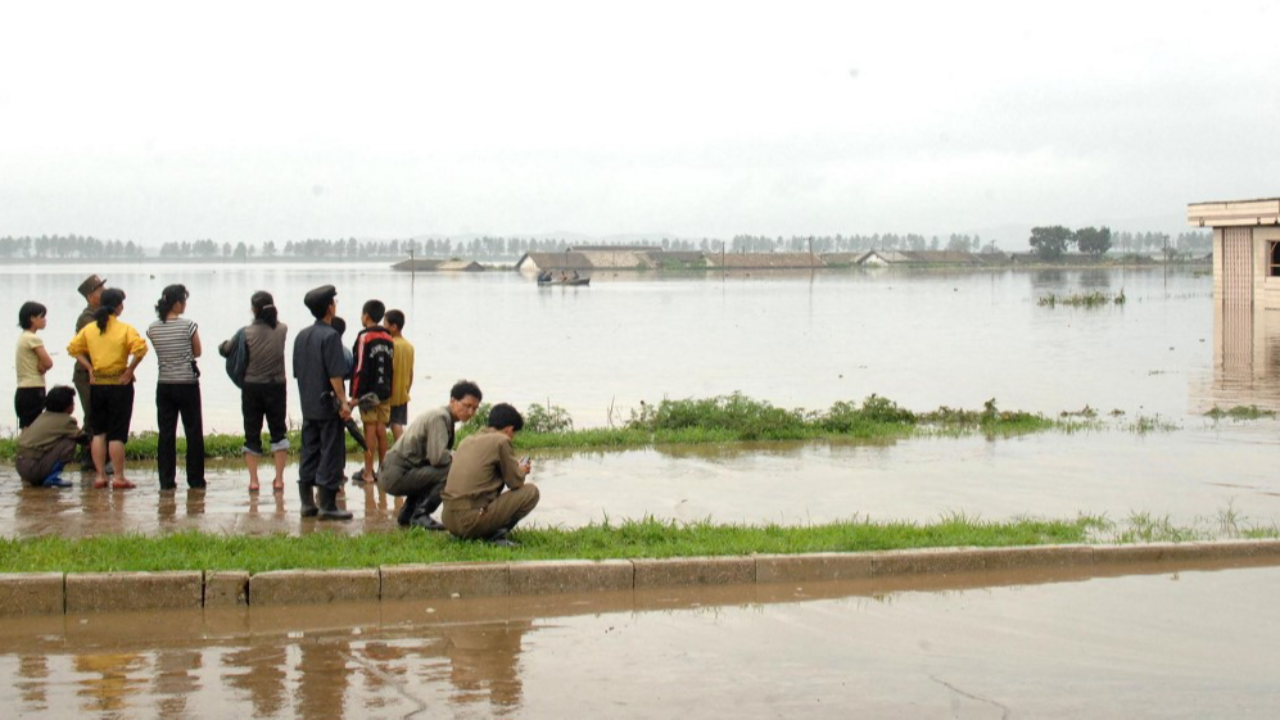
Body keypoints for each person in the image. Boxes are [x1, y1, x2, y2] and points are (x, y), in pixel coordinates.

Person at [67, 287, 147, 489]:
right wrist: (130, 369)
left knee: (99, 432)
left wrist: (90, 368)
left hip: (98, 384)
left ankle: (100, 475)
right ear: (118, 306)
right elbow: (141, 348)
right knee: (117, 433)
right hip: (119, 384)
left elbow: (73, 349)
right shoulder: (125, 329)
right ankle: (119, 477)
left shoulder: (90, 329)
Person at [377, 380, 481, 530]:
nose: (470, 412)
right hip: (396, 475)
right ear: (453, 401)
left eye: (475, 408)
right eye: (467, 406)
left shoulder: (443, 417)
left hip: (394, 472)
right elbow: (438, 458)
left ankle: (408, 513)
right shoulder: (440, 418)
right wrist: (459, 457)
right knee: (450, 470)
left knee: (437, 469)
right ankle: (421, 514)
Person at [293, 284, 353, 520]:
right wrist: (343, 401)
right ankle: (327, 504)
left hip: (308, 403)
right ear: (329, 308)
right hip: (328, 404)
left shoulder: (301, 335)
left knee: (309, 449)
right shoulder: (331, 336)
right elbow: (335, 375)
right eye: (334, 303)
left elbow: (298, 372)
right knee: (331, 450)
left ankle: (307, 503)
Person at [442, 403, 539, 547]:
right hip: (469, 521)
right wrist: (522, 471)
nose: (512, 437)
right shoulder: (501, 440)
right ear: (509, 429)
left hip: (448, 519)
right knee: (531, 492)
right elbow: (515, 483)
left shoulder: (466, 441)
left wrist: (513, 467)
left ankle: (477, 532)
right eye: (514, 434)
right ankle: (494, 534)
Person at [220, 291, 289, 493]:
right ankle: (278, 480)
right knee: (278, 431)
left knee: (252, 432)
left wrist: (223, 345)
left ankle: (254, 481)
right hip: (277, 386)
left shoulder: (246, 332)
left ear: (253, 309)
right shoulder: (283, 329)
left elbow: (226, 349)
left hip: (252, 387)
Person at [147, 284, 206, 490]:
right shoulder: (188, 325)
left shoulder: (153, 328)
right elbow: (197, 351)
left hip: (164, 383)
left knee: (166, 434)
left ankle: (166, 480)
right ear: (177, 303)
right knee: (193, 432)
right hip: (187, 384)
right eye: (184, 301)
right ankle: (196, 479)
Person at [350, 300, 394, 485]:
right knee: (381, 429)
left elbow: (360, 368)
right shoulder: (389, 338)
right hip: (385, 391)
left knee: (369, 428)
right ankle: (383, 471)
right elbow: (391, 366)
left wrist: (355, 396)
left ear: (366, 316)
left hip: (368, 393)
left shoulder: (364, 337)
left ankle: (368, 472)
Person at [15, 386, 86, 488]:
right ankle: (52, 477)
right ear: (66, 405)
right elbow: (84, 439)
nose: (74, 405)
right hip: (33, 468)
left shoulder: (42, 416)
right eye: (73, 402)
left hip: (20, 466)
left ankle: (41, 477)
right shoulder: (66, 420)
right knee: (69, 441)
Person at [72, 274, 107, 468]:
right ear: (91, 295)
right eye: (100, 290)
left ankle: (94, 457)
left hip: (98, 373)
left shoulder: (101, 314)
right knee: (92, 414)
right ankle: (88, 457)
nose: (103, 293)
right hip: (86, 374)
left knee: (98, 414)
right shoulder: (88, 317)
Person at [15, 301, 54, 429]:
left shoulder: (23, 337)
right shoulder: (33, 338)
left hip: (22, 388)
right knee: (34, 428)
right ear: (32, 318)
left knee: (26, 427)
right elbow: (48, 363)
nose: (45, 320)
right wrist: (43, 366)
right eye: (41, 316)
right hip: (33, 388)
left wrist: (41, 365)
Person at [384, 309, 414, 442]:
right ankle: (402, 451)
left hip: (390, 392)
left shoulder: (389, 345)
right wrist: (407, 389)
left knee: (389, 425)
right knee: (398, 424)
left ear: (394, 327)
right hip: (402, 392)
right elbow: (411, 372)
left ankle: (394, 455)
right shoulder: (409, 346)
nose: (383, 326)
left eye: (385, 323)